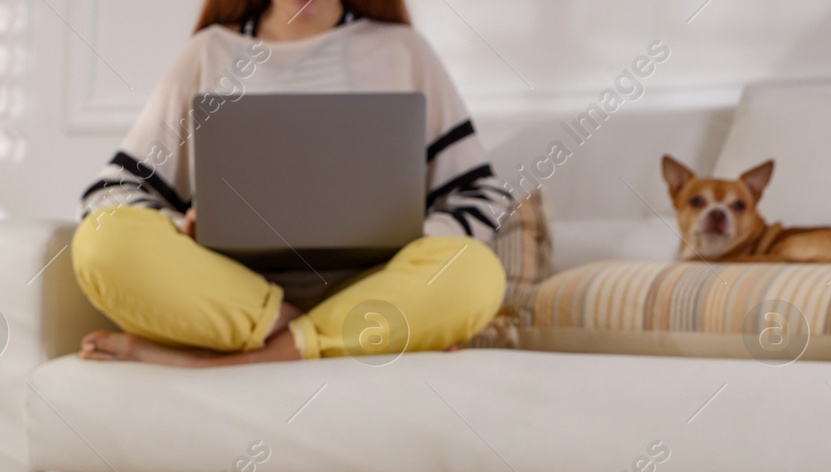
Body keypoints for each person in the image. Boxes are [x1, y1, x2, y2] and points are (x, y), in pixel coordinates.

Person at [72, 0, 509, 368]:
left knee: (475, 275)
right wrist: (179, 225)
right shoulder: (209, 52)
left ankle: (227, 360)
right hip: (231, 293)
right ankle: (307, 336)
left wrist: (415, 236)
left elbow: (481, 196)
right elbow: (109, 193)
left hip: (369, 289)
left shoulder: (402, 50)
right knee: (101, 241)